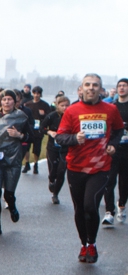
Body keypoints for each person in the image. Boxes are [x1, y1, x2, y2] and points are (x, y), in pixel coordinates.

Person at [55, 73, 124, 263]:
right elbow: (60, 137)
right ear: (82, 88)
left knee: (90, 206)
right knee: (79, 209)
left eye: (95, 85)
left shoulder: (110, 109)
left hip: (100, 168)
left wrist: (113, 144)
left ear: (100, 89)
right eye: (88, 84)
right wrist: (74, 138)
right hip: (76, 167)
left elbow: (119, 130)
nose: (91, 88)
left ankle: (92, 243)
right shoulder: (72, 110)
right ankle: (83, 244)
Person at [0, 90, 32, 236]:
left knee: (8, 194)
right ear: (0, 101)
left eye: (10, 99)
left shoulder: (21, 117)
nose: (6, 102)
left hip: (13, 159)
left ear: (15, 101)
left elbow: (32, 136)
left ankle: (12, 205)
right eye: (4, 99)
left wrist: (19, 135)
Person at [102, 78, 128, 225]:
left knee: (124, 182)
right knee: (109, 180)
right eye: (120, 86)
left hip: (127, 150)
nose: (122, 88)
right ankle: (109, 212)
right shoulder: (111, 107)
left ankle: (122, 204)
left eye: (125, 86)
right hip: (112, 149)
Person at [40, 95, 70, 204]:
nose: (65, 108)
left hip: (65, 148)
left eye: (67, 105)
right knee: (53, 170)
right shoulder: (52, 116)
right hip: (53, 147)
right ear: (57, 106)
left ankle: (56, 194)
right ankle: (51, 180)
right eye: (62, 105)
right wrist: (50, 132)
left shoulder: (71, 116)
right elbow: (42, 128)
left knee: (61, 171)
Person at [24, 86, 52, 174]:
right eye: (35, 93)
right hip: (29, 128)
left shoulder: (45, 105)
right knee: (26, 147)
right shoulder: (27, 104)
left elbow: (49, 117)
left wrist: (43, 115)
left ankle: (36, 164)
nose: (36, 95)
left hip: (38, 129)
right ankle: (27, 163)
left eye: (38, 94)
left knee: (37, 148)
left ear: (40, 94)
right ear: (32, 93)